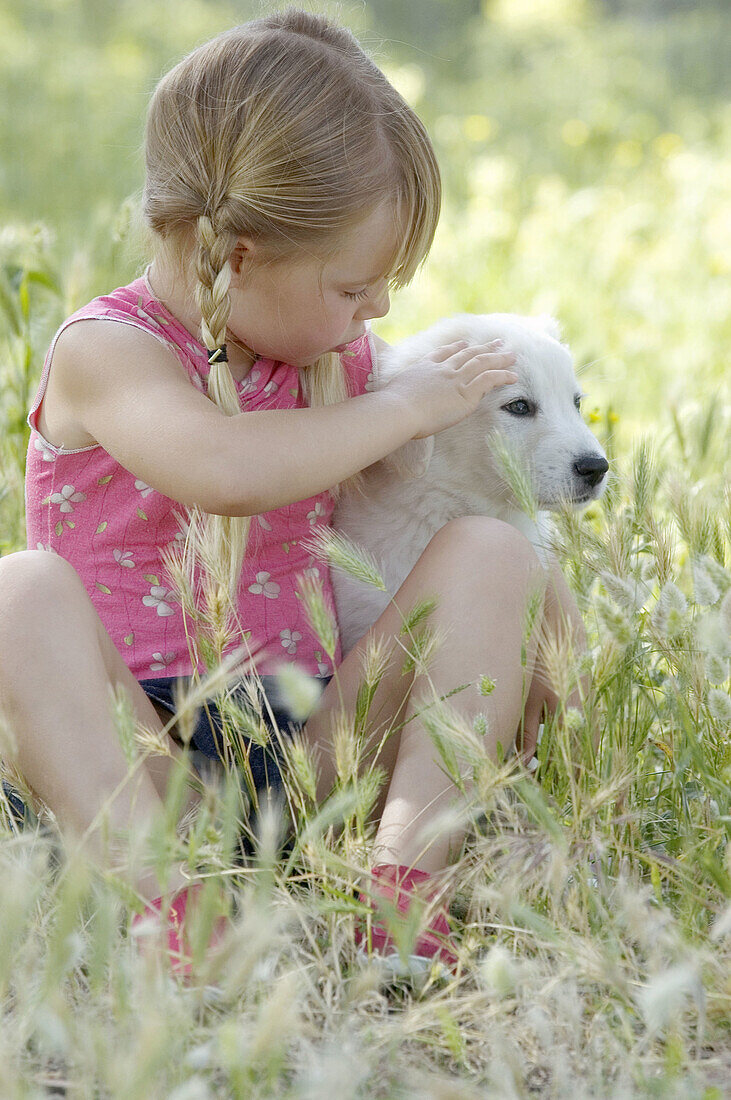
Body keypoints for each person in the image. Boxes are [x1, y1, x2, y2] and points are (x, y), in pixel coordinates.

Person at [0, 9, 588, 979]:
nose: (379, 313)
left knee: (489, 548)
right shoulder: (106, 354)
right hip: (132, 754)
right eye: (354, 287)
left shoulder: (334, 359)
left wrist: (533, 591)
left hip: (312, 750)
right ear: (236, 256)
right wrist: (401, 406)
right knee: (18, 592)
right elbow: (226, 467)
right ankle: (167, 905)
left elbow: (441, 499)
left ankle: (400, 878)